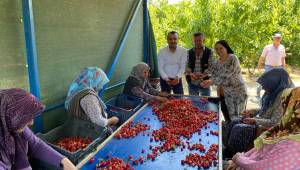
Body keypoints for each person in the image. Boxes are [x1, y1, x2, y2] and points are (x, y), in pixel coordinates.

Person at [223, 68, 294, 158]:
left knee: (239, 129)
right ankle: (228, 150)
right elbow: (265, 109)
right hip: (260, 120)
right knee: (234, 121)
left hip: (266, 127)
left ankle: (237, 156)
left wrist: (255, 120)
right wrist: (252, 111)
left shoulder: (283, 97)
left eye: (266, 86)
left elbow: (275, 122)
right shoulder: (272, 92)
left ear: (274, 84)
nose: (263, 88)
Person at [0, 88, 76, 170]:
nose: (31, 123)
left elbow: (36, 145)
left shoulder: (14, 127)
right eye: (25, 118)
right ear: (12, 118)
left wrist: (63, 161)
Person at [226, 87, 300, 170]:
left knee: (239, 128)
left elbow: (265, 167)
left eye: (286, 104)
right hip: (247, 161)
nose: (283, 108)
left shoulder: (293, 144)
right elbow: (259, 149)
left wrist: (239, 159)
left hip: (249, 164)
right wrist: (240, 157)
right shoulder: (284, 129)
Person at [201, 40, 247, 122]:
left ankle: (236, 133)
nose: (218, 51)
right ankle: (229, 132)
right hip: (223, 94)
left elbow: (227, 74)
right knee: (227, 117)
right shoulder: (216, 62)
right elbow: (214, 75)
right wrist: (208, 81)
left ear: (226, 48)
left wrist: (211, 82)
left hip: (237, 93)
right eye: (216, 49)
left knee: (238, 118)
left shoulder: (232, 58)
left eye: (221, 48)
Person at [256, 33, 286, 97]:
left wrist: (283, 66)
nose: (278, 39)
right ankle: (259, 88)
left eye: (279, 38)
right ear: (273, 39)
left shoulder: (282, 47)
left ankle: (272, 95)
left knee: (276, 81)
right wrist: (259, 65)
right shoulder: (267, 47)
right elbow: (262, 57)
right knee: (266, 80)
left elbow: (283, 58)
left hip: (279, 67)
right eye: (276, 38)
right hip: (269, 67)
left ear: (281, 39)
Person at [185, 32, 213, 96]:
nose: (197, 42)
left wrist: (203, 75)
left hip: (205, 83)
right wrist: (191, 74)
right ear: (193, 41)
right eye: (195, 41)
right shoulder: (189, 52)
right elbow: (186, 66)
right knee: (194, 103)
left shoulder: (210, 52)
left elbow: (212, 67)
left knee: (206, 103)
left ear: (204, 40)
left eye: (199, 40)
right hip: (192, 83)